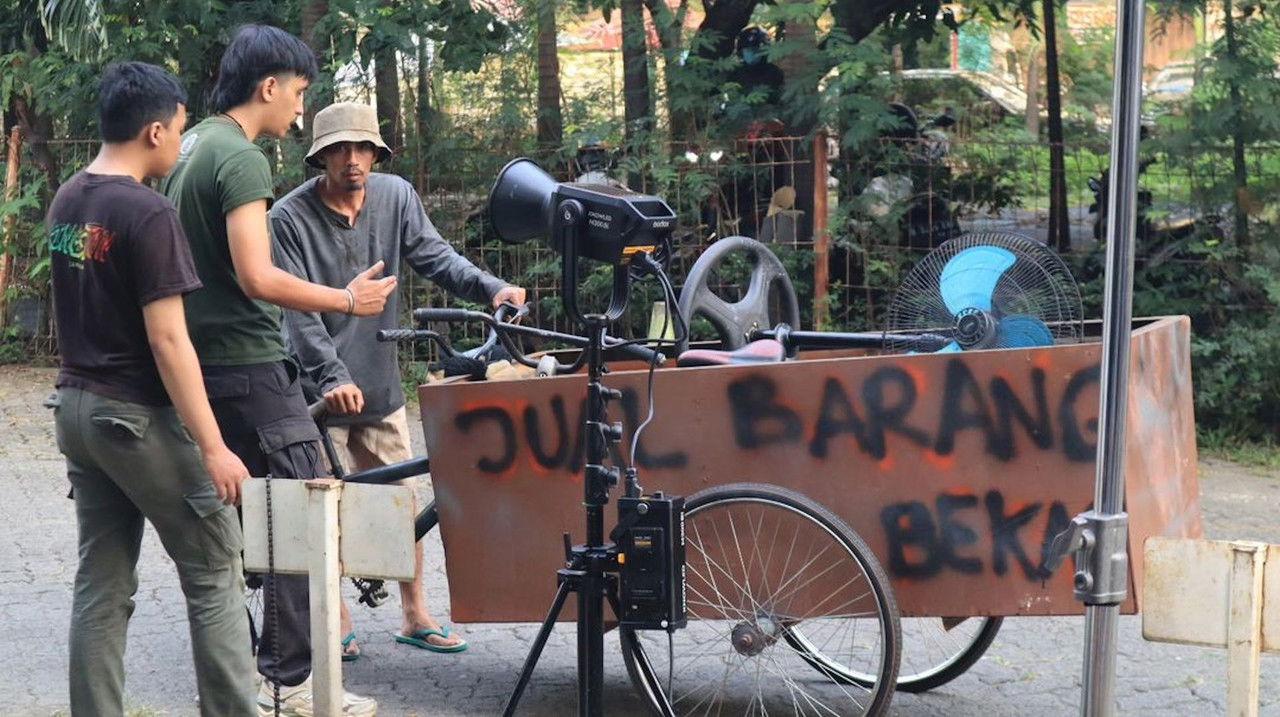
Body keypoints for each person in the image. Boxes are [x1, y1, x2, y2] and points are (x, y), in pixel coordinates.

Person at [158, 26, 395, 717]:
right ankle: (289, 682)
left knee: (248, 529)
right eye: (298, 93)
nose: (299, 109)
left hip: (205, 368)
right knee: (303, 514)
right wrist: (347, 298)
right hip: (252, 367)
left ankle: (246, 681)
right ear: (269, 87)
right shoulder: (241, 159)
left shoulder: (192, 144)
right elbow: (258, 275)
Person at [270, 101, 526, 659]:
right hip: (318, 394)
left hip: (380, 385)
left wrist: (491, 288)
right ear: (321, 158)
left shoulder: (395, 196)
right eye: (340, 149)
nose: (353, 160)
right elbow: (298, 315)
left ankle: (415, 613)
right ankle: (334, 617)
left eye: (363, 148)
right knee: (324, 505)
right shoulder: (287, 220)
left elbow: (436, 257)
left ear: (376, 154)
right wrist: (331, 376)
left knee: (402, 502)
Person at [48, 61, 255, 716]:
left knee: (101, 586)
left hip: (77, 410)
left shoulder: (67, 198)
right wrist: (214, 446)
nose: (180, 145)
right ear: (156, 130)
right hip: (132, 417)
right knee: (215, 563)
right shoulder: (148, 211)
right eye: (180, 132)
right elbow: (170, 342)